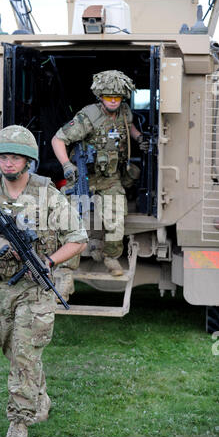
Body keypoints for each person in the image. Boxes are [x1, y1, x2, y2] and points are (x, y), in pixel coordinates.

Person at [0, 125, 88, 437]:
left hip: (36, 289)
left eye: (16, 158)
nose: (9, 163)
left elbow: (78, 239)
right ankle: (40, 399)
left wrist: (48, 261)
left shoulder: (47, 195)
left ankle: (19, 420)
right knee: (12, 349)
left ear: (28, 161)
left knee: (26, 352)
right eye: (4, 158)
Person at [52, 70, 148, 286]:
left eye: (117, 97)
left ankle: (111, 257)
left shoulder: (123, 110)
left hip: (110, 177)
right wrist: (67, 164)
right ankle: (66, 265)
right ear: (100, 97)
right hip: (84, 177)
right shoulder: (88, 117)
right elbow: (57, 139)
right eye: (108, 97)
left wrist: (139, 137)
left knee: (116, 218)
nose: (113, 101)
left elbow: (129, 125)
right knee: (73, 221)